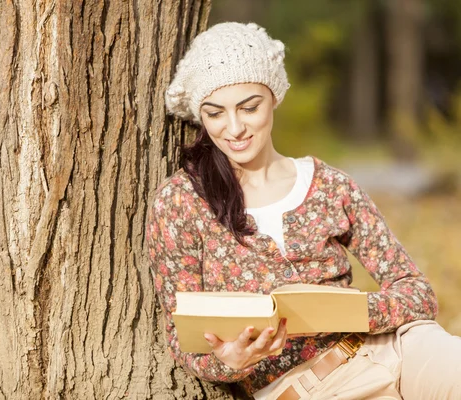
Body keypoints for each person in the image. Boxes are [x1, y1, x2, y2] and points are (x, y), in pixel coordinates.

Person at [145, 22, 461, 400]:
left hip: (401, 351)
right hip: (309, 390)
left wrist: (346, 311)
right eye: (215, 113)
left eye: (249, 107)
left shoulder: (330, 185)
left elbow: (418, 294)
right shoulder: (180, 202)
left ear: (274, 97)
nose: (234, 128)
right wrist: (230, 362)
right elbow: (184, 339)